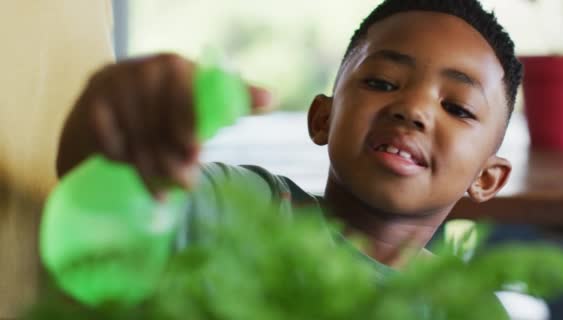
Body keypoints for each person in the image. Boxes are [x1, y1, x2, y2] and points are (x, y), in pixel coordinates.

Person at [56, 0, 522, 269]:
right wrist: (108, 127)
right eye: (381, 83)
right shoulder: (247, 209)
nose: (413, 109)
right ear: (322, 119)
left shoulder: (465, 306)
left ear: (487, 178)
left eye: (457, 107)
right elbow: (114, 207)